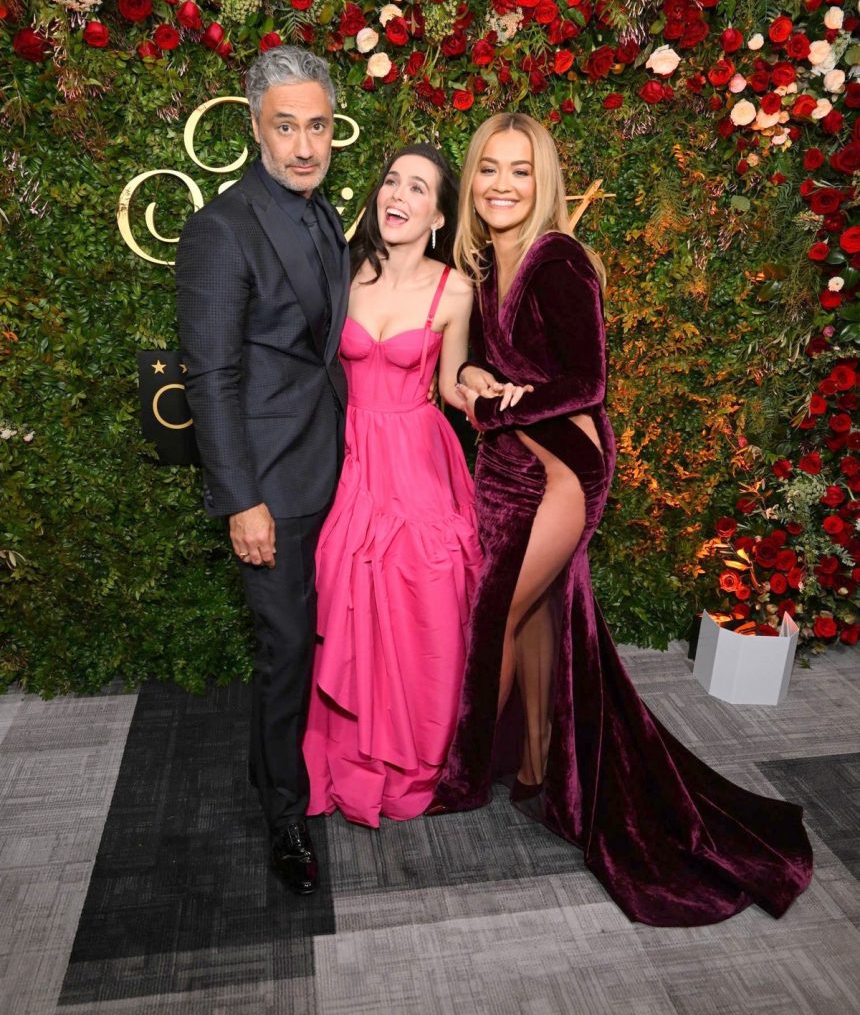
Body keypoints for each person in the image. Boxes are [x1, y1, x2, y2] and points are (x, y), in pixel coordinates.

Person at [428, 113, 813, 926]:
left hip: (568, 467)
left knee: (494, 614)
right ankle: (538, 770)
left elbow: (587, 382)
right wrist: (477, 377)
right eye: (489, 168)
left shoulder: (558, 259)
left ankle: (460, 778)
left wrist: (497, 412)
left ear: (544, 181)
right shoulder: (486, 264)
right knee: (537, 619)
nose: (502, 185)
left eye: (520, 171)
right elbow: (498, 365)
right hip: (514, 465)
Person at [175, 46, 350, 895]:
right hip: (272, 487)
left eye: (317, 126)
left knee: (325, 639)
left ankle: (323, 767)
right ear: (255, 128)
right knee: (284, 651)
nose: (304, 146)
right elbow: (210, 377)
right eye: (286, 128)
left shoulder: (324, 215)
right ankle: (283, 814)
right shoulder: (222, 228)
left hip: (338, 468)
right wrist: (241, 500)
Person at [302, 144, 504, 826]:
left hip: (417, 457)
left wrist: (479, 385)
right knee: (345, 595)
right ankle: (345, 758)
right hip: (348, 453)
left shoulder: (456, 290)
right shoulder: (344, 271)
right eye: (392, 181)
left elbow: (451, 381)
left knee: (423, 601)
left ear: (439, 215)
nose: (398, 195)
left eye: (418, 188)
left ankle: (414, 758)